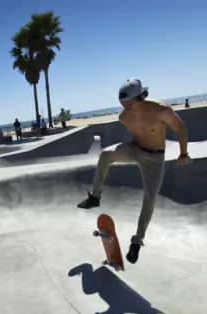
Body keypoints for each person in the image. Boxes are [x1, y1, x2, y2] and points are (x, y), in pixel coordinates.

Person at [77, 78, 192, 264]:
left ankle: (137, 242)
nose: (126, 107)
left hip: (154, 158)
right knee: (106, 154)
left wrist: (183, 152)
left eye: (129, 103)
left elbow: (181, 128)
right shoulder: (124, 117)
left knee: (151, 199)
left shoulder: (161, 110)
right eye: (123, 104)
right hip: (134, 149)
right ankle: (95, 197)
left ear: (141, 97)